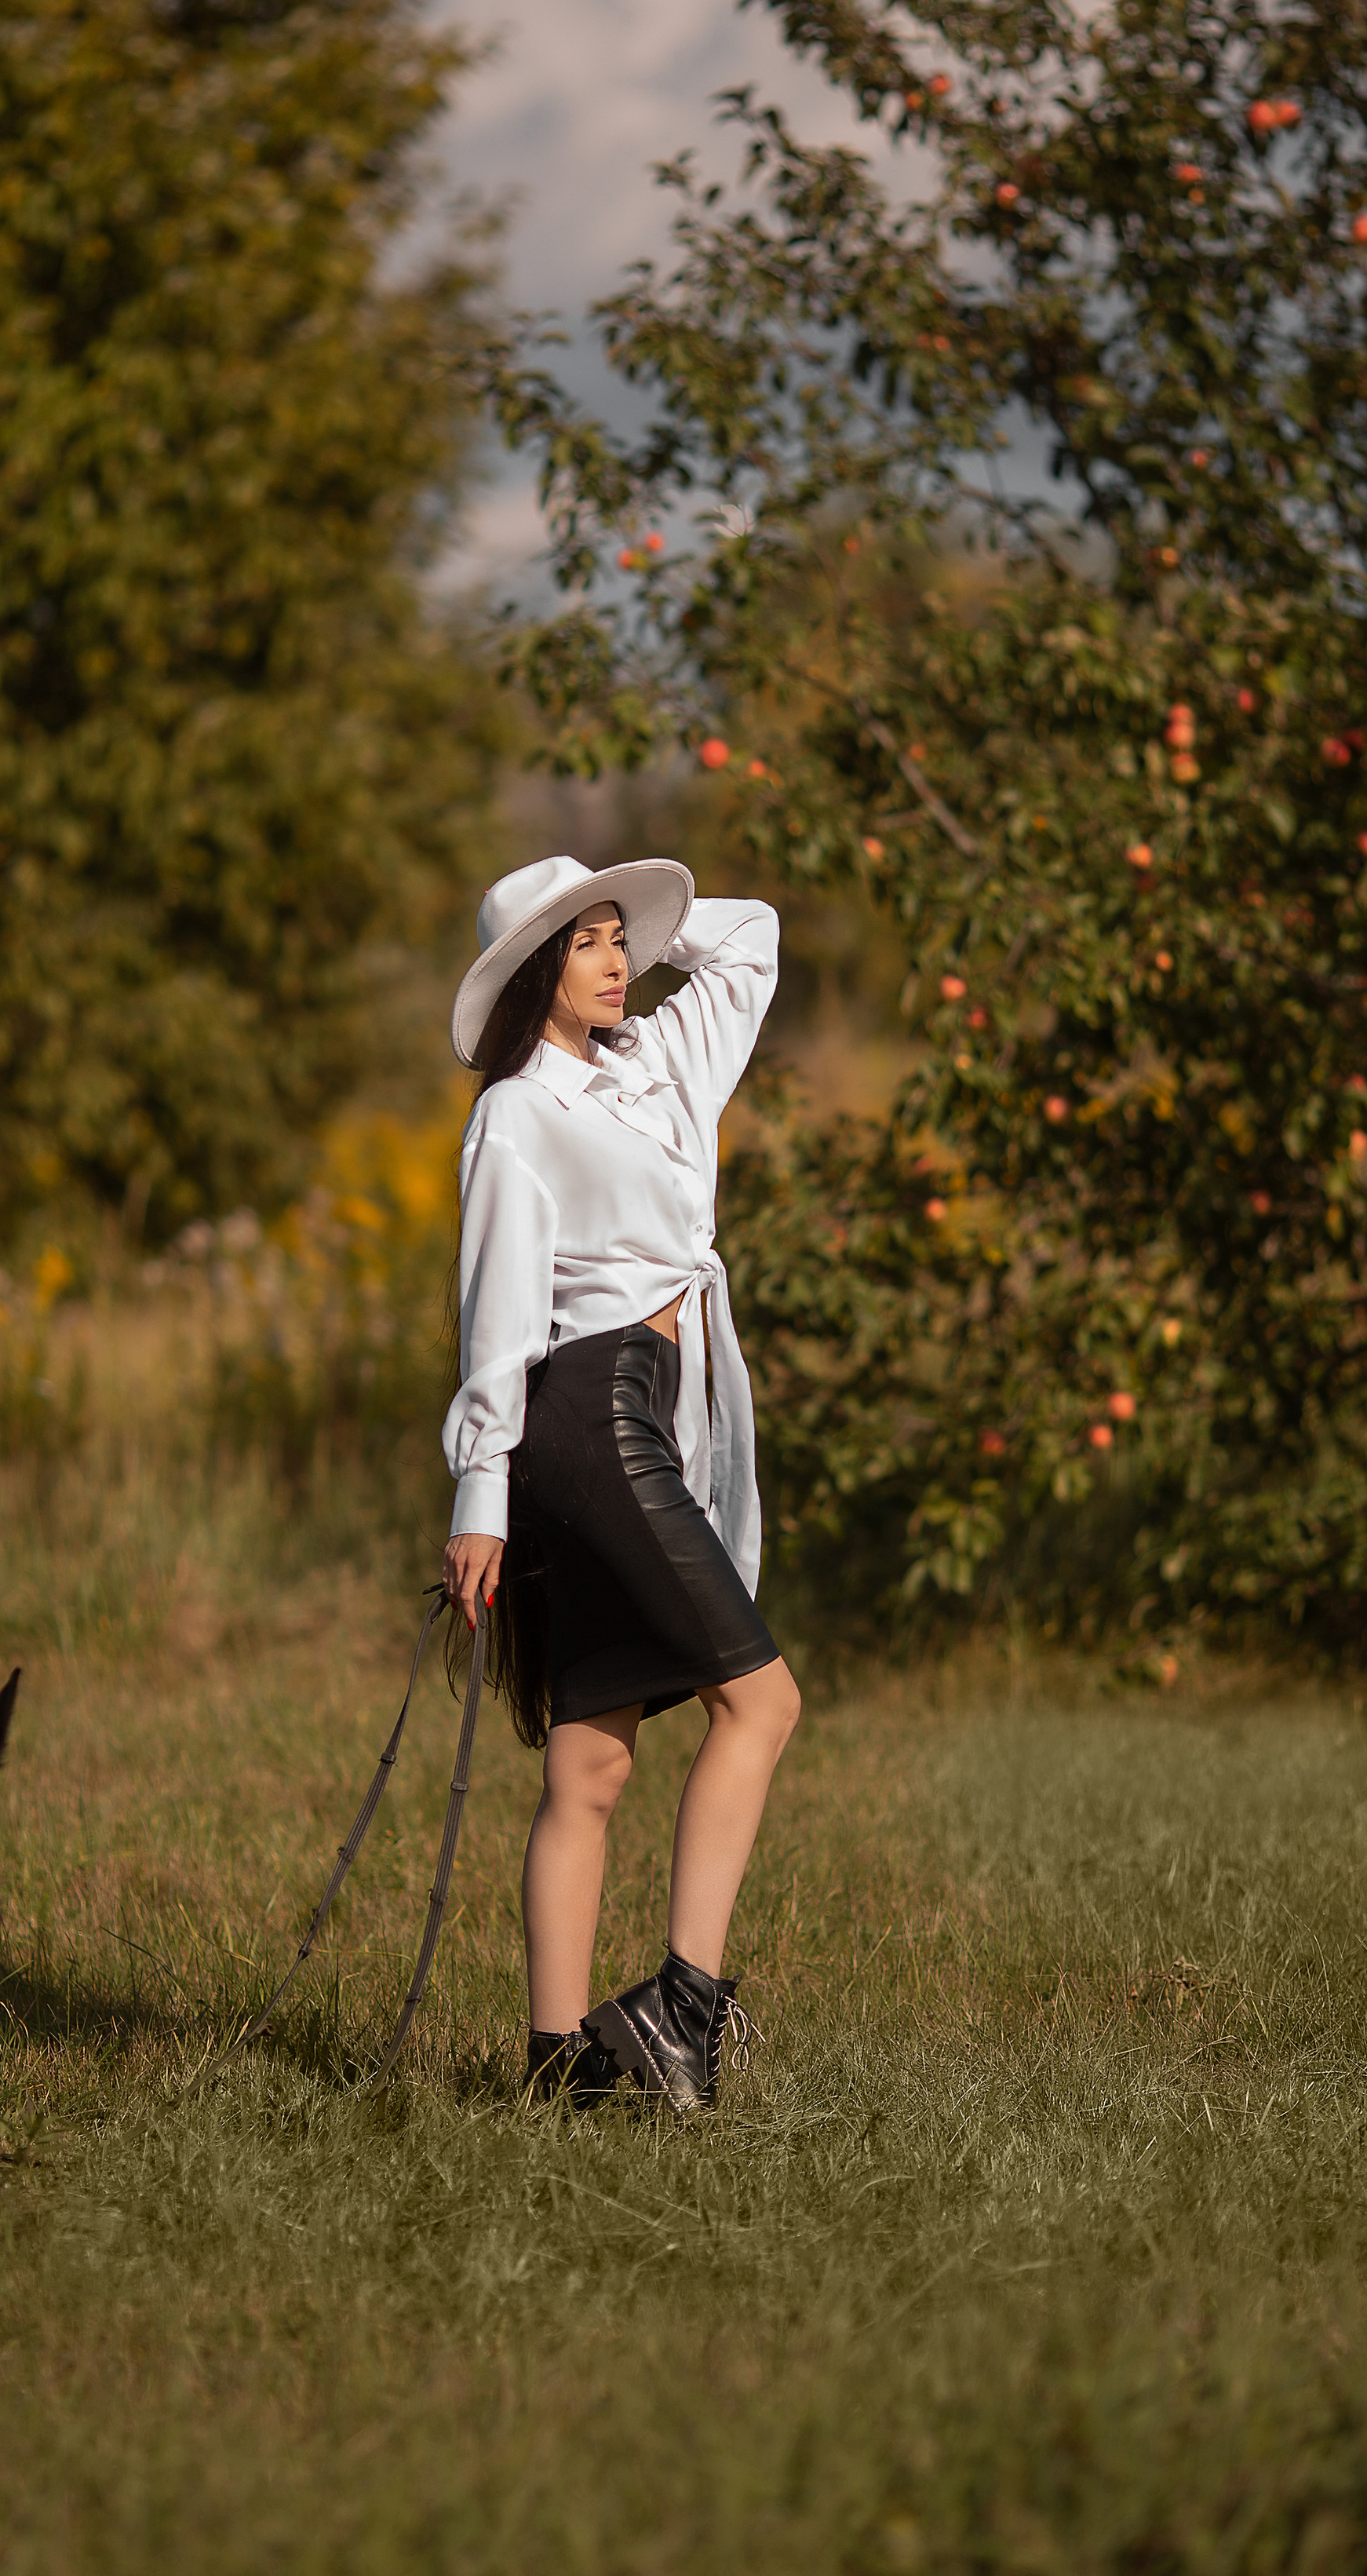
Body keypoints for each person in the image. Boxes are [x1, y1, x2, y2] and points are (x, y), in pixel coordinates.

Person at [440, 852, 801, 2112]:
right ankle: (681, 2013)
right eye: (584, 944)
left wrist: (649, 928)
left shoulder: (661, 1061)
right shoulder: (516, 1114)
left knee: (591, 1770)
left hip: (653, 1406)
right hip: (586, 1414)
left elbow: (751, 937)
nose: (615, 963)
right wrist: (479, 1494)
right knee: (762, 1705)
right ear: (533, 972)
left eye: (618, 939)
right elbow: (498, 1314)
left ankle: (559, 2071)